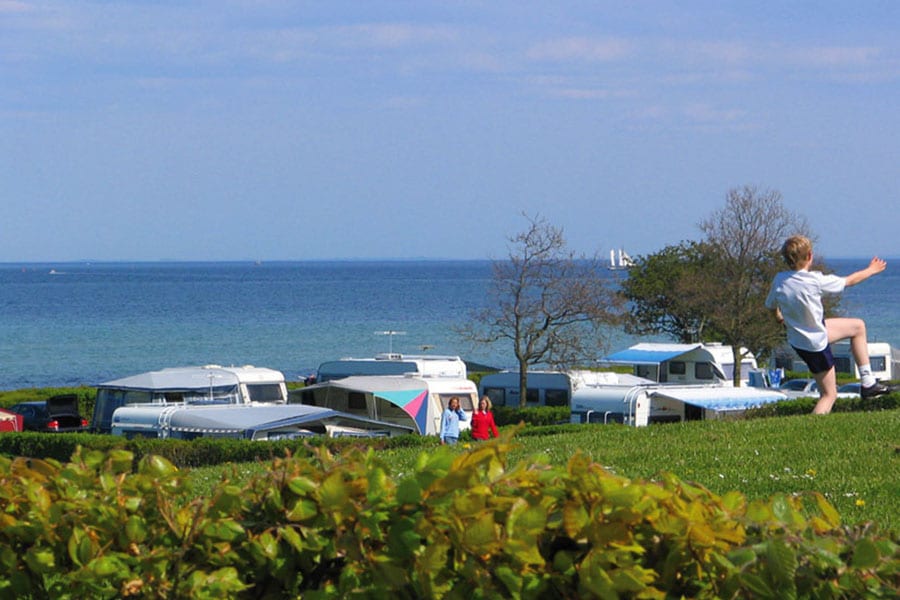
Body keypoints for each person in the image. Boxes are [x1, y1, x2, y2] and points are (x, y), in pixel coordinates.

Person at [765, 235, 891, 414]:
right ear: (809, 256)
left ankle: (868, 383)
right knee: (829, 395)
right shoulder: (814, 280)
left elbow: (770, 305)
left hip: (801, 338)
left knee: (858, 327)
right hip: (815, 345)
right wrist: (871, 269)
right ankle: (812, 432)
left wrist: (778, 317)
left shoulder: (779, 280)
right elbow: (849, 281)